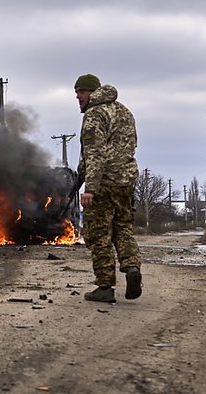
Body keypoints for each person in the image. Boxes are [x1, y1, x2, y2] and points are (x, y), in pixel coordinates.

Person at [74, 73, 143, 303]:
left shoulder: (95, 114)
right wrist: (79, 176)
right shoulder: (124, 111)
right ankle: (132, 267)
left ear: (93, 92)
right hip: (126, 181)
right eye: (76, 92)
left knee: (98, 234)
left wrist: (89, 187)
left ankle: (105, 286)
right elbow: (129, 145)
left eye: (81, 91)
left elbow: (94, 153)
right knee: (123, 227)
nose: (78, 96)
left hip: (103, 183)